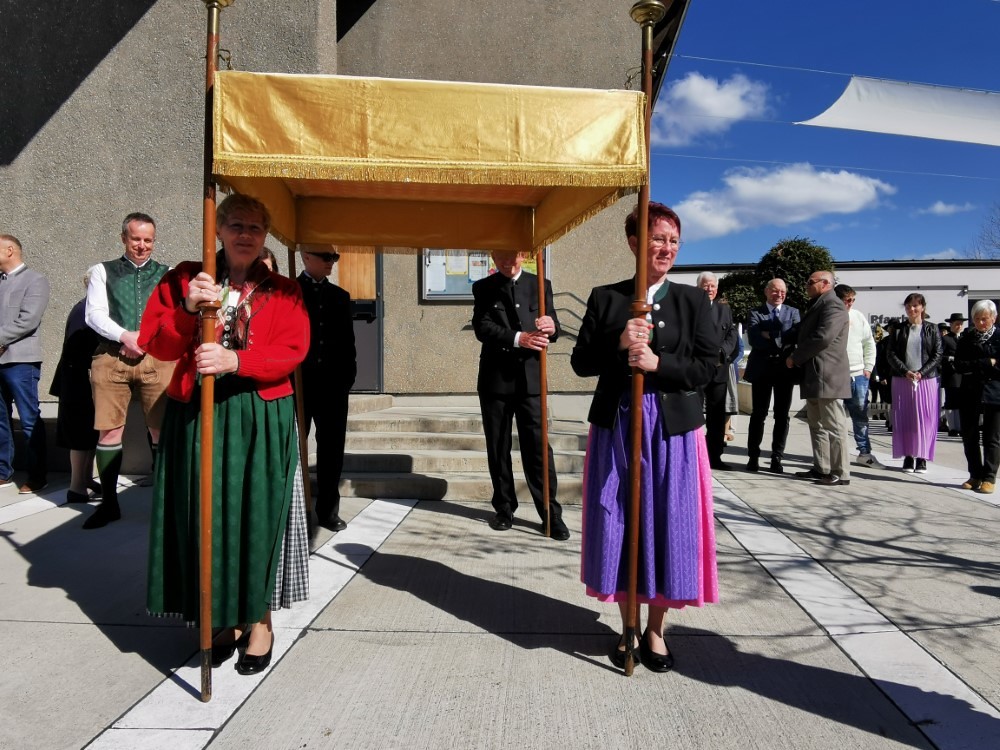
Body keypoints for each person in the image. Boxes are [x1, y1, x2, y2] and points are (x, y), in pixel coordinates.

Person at [139, 193, 310, 675]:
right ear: (217, 229)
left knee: (257, 517)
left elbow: (292, 350)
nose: (245, 235)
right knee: (206, 517)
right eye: (235, 224)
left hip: (259, 413)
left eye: (255, 227)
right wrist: (188, 309)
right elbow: (157, 344)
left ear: (265, 235)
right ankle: (221, 616)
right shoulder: (185, 279)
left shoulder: (285, 290)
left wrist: (237, 360)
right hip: (197, 413)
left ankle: (259, 621)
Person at [571, 202, 719, 672]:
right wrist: (618, 343)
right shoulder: (606, 298)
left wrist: (660, 364)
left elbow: (708, 367)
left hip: (673, 432)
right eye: (658, 239)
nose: (667, 248)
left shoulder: (693, 301)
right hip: (619, 425)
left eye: (674, 241)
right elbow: (581, 362)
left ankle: (656, 630)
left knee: (668, 526)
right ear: (634, 243)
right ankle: (627, 626)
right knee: (621, 522)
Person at [82, 212, 174, 529]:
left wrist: (142, 340)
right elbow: (94, 314)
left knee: (160, 428)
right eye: (136, 239)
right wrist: (125, 336)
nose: (142, 245)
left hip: (156, 357)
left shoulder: (168, 274)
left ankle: (164, 505)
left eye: (148, 240)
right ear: (124, 238)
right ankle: (109, 503)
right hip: (112, 356)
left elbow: (172, 316)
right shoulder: (102, 271)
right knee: (109, 430)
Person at [472, 250, 569, 541]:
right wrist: (519, 338)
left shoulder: (540, 285)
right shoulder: (483, 287)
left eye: (511, 255)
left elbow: (553, 326)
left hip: (531, 380)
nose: (506, 261)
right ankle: (504, 508)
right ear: (492, 255)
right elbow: (482, 327)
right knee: (498, 446)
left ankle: (550, 512)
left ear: (523, 254)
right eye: (500, 255)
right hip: (495, 380)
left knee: (538, 448)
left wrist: (552, 328)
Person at [297, 246, 356, 531]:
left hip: (333, 387)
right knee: (295, 450)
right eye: (325, 256)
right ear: (306, 256)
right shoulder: (291, 292)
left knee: (332, 451)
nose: (331, 262)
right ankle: (295, 508)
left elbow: (348, 344)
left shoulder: (340, 297)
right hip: (300, 385)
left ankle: (328, 510)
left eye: (334, 257)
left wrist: (347, 379)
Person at [789, 272, 851, 486]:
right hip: (815, 374)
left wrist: (795, 357)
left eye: (810, 282)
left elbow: (822, 337)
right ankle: (821, 467)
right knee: (816, 424)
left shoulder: (833, 305)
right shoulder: (819, 304)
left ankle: (840, 472)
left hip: (828, 375)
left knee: (834, 425)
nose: (806, 285)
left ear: (825, 284)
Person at [0, 235, 50, 494]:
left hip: (21, 361)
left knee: (29, 418)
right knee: (0, 418)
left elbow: (28, 320)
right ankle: (3, 471)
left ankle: (37, 475)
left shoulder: (35, 280)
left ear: (10, 250)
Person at [49, 274, 102, 503]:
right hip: (79, 383)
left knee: (89, 434)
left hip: (81, 381)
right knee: (81, 435)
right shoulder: (85, 310)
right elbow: (78, 352)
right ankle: (77, 488)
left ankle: (85, 479)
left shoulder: (89, 308)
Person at [744, 278, 800, 473]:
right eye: (775, 291)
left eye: (783, 291)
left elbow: (795, 335)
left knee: (782, 416)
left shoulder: (793, 312)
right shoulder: (755, 312)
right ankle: (753, 457)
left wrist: (770, 334)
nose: (779, 295)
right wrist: (782, 336)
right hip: (762, 370)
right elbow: (755, 339)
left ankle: (777, 457)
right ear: (767, 291)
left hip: (785, 370)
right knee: (758, 414)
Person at [886, 293, 942, 473]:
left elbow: (937, 354)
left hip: (926, 380)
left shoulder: (932, 329)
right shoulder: (898, 330)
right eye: (909, 306)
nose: (912, 309)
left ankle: (922, 457)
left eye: (916, 305)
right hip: (903, 379)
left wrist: (921, 373)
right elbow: (891, 354)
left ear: (922, 307)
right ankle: (909, 456)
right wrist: (905, 371)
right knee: (906, 418)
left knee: (925, 419)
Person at [953, 300, 1000, 494]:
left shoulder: (998, 338)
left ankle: (989, 477)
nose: (981, 323)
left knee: (992, 437)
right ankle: (975, 474)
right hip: (970, 392)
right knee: (969, 435)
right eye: (977, 319)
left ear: (993, 318)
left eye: (985, 319)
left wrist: (979, 366)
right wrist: (986, 363)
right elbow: (959, 365)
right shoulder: (967, 339)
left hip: (994, 393)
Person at [834, 284, 883, 468]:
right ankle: (836, 454)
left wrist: (868, 368)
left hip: (858, 375)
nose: (851, 303)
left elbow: (869, 343)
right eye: (847, 300)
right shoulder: (830, 316)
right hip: (836, 375)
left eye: (853, 300)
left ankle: (864, 453)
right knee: (835, 418)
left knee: (860, 417)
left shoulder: (858, 316)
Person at [697, 272, 739, 470]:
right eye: (706, 285)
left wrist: (722, 352)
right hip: (697, 367)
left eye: (713, 285)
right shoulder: (692, 307)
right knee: (694, 413)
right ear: (698, 288)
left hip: (719, 368)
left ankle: (715, 456)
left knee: (717, 416)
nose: (709, 289)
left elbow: (732, 334)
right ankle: (695, 455)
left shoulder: (724, 309)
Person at [941, 312, 967, 437]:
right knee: (951, 400)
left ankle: (960, 427)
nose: (959, 326)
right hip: (951, 374)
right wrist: (949, 358)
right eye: (957, 324)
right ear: (951, 325)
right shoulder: (946, 339)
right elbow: (939, 356)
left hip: (963, 374)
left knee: (961, 401)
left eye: (961, 324)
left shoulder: (964, 339)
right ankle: (952, 427)